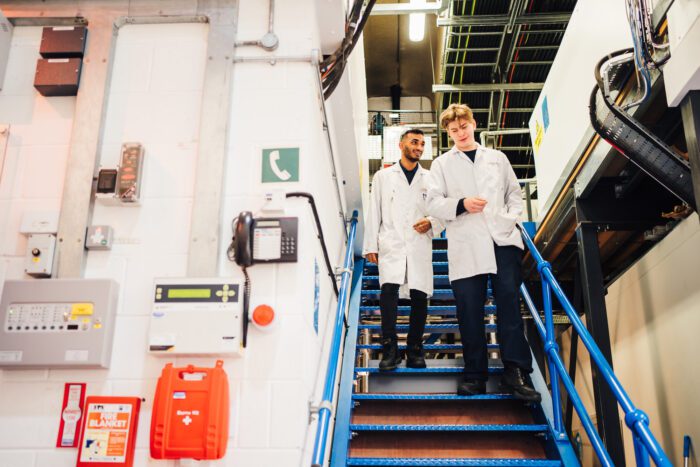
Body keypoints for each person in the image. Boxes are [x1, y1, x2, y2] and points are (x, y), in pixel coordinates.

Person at [427, 104, 541, 401]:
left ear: (473, 124)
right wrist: (462, 203)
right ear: (448, 133)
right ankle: (475, 374)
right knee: (469, 313)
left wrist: (508, 219)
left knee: (509, 308)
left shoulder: (497, 158)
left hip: (502, 240)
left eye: (463, 127)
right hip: (466, 245)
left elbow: (514, 194)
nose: (460, 133)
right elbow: (433, 204)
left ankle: (516, 373)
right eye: (453, 130)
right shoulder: (441, 165)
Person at [363, 128, 443, 371]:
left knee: (419, 295)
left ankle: (415, 349)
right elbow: (374, 210)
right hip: (392, 241)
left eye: (422, 144)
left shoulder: (431, 179)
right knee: (389, 292)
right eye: (414, 142)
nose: (419, 147)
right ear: (401, 145)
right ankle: (390, 350)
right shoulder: (382, 177)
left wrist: (432, 222)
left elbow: (440, 211)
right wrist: (370, 245)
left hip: (419, 244)